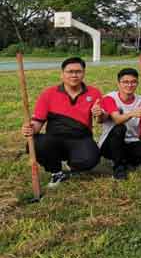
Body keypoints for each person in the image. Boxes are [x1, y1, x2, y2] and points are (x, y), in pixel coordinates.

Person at [21, 57, 103, 187]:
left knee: (90, 160)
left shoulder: (94, 93)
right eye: (70, 71)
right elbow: (37, 122)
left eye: (78, 71)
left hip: (81, 138)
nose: (74, 75)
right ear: (62, 74)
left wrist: (99, 114)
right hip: (54, 138)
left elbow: (100, 120)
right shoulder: (48, 94)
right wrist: (30, 128)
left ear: (84, 73)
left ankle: (71, 163)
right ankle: (56, 172)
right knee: (36, 143)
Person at [99, 68, 141, 179]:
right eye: (125, 82)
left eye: (133, 82)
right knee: (120, 128)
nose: (129, 85)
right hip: (110, 144)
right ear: (118, 83)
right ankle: (118, 167)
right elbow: (117, 119)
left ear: (137, 83)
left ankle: (126, 160)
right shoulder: (110, 98)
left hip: (131, 142)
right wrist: (132, 114)